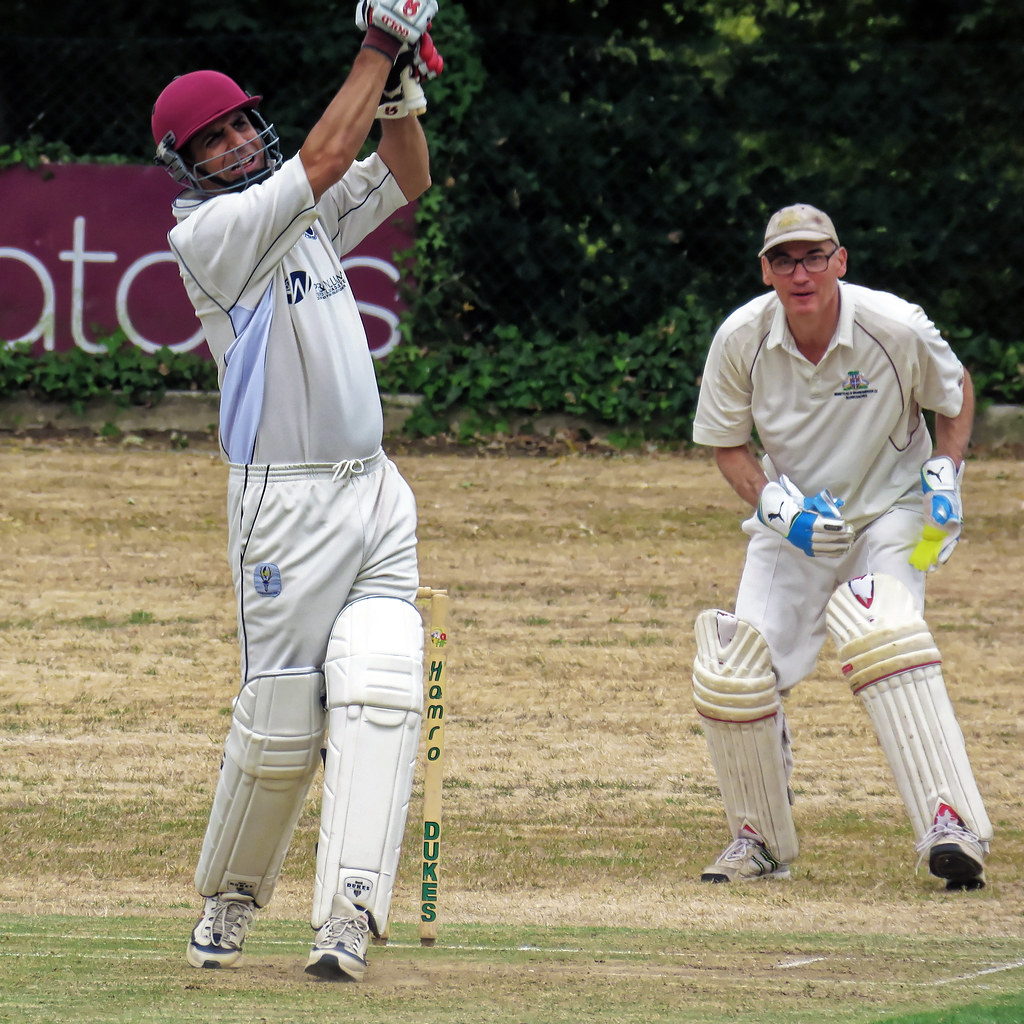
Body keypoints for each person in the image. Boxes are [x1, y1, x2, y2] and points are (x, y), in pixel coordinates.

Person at [150, 0, 442, 981]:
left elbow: (406, 172)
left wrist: (396, 80)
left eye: (239, 124)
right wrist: (375, 41)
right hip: (285, 510)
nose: (234, 143)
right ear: (185, 165)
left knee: (383, 688)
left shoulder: (294, 196)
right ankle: (229, 904)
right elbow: (319, 162)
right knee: (280, 727)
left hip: (375, 491)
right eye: (212, 139)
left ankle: (348, 915)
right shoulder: (213, 235)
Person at [689, 203, 991, 892]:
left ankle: (951, 822)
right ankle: (758, 837)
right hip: (797, 520)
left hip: (894, 510)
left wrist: (945, 471)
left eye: (815, 256)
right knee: (737, 666)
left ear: (841, 261)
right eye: (785, 260)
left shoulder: (895, 325)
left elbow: (955, 391)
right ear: (765, 270)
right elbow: (729, 447)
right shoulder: (741, 338)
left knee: (886, 631)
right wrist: (776, 507)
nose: (802, 273)